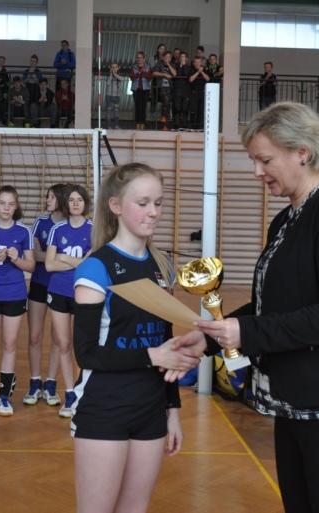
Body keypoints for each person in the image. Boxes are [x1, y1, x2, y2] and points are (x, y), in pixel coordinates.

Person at [174, 102, 319, 513]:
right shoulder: (285, 221)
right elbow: (272, 305)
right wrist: (210, 338)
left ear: (302, 152)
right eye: (254, 161)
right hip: (297, 403)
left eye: (265, 160)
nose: (256, 171)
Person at [72, 163, 200, 513]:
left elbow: (167, 342)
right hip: (105, 407)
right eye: (142, 203)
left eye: (158, 203)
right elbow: (86, 354)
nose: (153, 212)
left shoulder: (161, 266)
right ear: (115, 206)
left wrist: (172, 410)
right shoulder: (96, 267)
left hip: (151, 408)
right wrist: (151, 356)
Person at [0, 186, 35, 416]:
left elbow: (31, 266)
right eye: (2, 203)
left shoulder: (23, 231)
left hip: (14, 294)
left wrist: (17, 260)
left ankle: (4, 396)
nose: (6, 208)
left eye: (11, 204)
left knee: (9, 345)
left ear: (16, 206)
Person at [45, 184, 93, 418]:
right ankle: (70, 393)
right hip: (58, 291)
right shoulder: (57, 229)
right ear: (66, 203)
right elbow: (49, 265)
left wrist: (64, 257)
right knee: (63, 344)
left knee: (84, 345)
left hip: (83, 292)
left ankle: (85, 391)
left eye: (79, 200)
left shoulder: (94, 230)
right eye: (72, 200)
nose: (75, 203)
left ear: (85, 203)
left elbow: (89, 266)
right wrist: (77, 261)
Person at [24, 184, 68, 406]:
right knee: (34, 336)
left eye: (52, 196)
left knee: (59, 338)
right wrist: (62, 257)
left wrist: (49, 257)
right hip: (40, 283)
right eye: (47, 196)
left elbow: (79, 260)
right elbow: (34, 255)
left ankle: (51, 383)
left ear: (61, 199)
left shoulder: (72, 225)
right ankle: (35, 382)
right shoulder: (41, 222)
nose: (47, 200)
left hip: (62, 286)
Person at [130, 51, 152, 131]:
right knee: (137, 106)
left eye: (141, 57)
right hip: (136, 89)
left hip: (145, 89)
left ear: (144, 58)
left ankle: (142, 123)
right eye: (138, 58)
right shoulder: (133, 67)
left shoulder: (148, 67)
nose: (139, 59)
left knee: (143, 107)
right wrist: (139, 73)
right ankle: (137, 124)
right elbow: (132, 78)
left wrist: (144, 72)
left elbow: (149, 78)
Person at [153, 52, 176, 128]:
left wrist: (168, 64)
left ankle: (164, 119)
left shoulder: (172, 64)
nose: (167, 58)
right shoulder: (159, 63)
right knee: (166, 101)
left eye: (169, 57)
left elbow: (174, 74)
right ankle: (164, 119)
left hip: (170, 87)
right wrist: (164, 74)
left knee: (167, 103)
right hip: (161, 87)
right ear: (163, 57)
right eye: (166, 57)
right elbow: (154, 73)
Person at [189, 56, 210, 130]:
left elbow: (207, 79)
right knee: (193, 110)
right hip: (193, 93)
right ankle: (192, 126)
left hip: (202, 93)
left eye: (199, 62)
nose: (197, 64)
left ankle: (199, 126)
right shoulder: (191, 69)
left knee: (200, 110)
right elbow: (191, 79)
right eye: (196, 62)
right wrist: (198, 72)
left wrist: (201, 72)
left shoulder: (204, 70)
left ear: (201, 63)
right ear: (193, 63)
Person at [173, 52, 192, 130]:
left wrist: (184, 65)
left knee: (185, 108)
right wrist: (181, 66)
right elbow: (178, 75)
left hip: (186, 90)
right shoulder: (176, 66)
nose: (182, 58)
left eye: (184, 57)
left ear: (187, 58)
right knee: (177, 107)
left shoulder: (189, 66)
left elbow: (186, 74)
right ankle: (176, 125)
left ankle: (184, 125)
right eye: (181, 57)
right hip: (178, 90)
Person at [105, 63, 123, 129]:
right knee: (108, 111)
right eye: (112, 67)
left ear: (118, 68)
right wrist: (111, 74)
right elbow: (108, 83)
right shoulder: (108, 75)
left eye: (115, 67)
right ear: (110, 68)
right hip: (109, 96)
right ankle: (109, 126)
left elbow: (122, 79)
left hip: (117, 96)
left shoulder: (119, 75)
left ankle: (116, 126)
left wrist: (115, 74)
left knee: (116, 111)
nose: (114, 69)